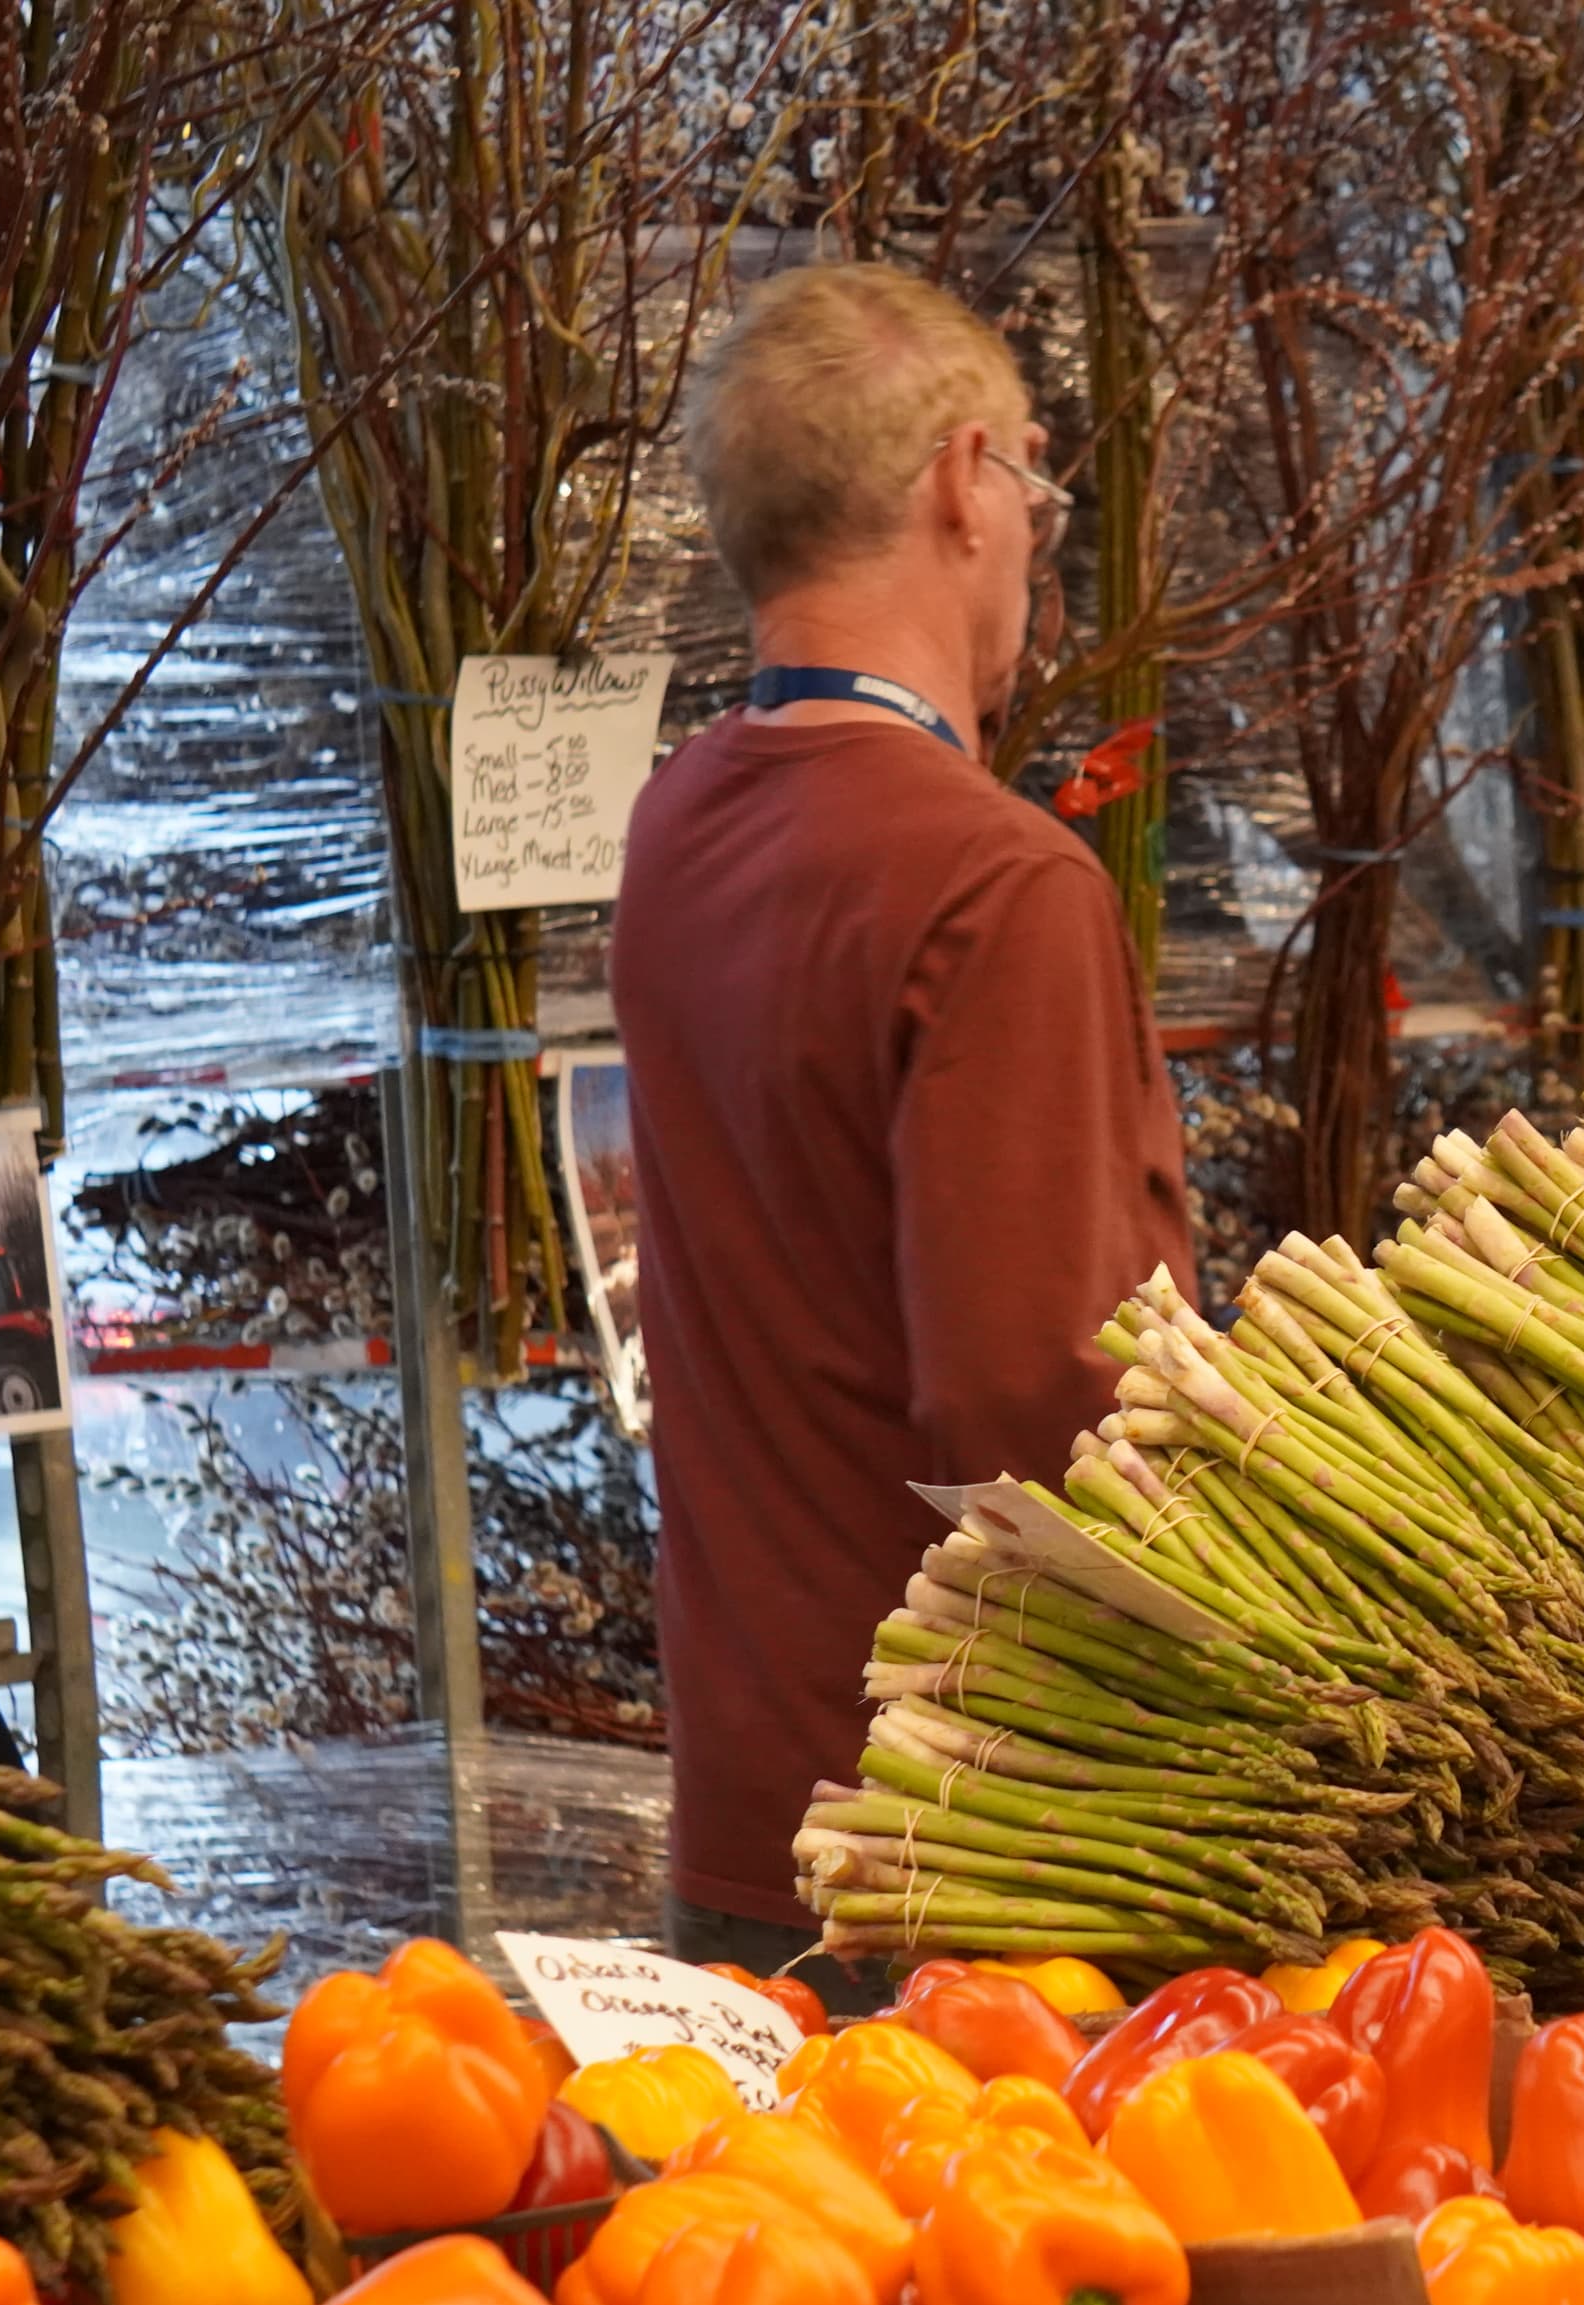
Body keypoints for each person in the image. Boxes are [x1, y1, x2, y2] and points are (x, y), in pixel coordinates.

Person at [609, 263, 1193, 1998]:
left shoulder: (677, 826)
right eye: (1034, 487)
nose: (1030, 545)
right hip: (982, 1856)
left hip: (752, 1813)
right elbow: (1041, 1405)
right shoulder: (993, 883)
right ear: (961, 482)